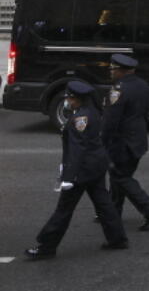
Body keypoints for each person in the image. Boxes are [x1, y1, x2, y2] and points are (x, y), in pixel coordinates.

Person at [25, 80, 128, 259]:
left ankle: (46, 246)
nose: (67, 101)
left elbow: (78, 148)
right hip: (96, 166)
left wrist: (69, 176)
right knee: (104, 204)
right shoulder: (92, 112)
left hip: (83, 170)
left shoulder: (80, 118)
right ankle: (117, 238)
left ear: (77, 99)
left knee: (64, 209)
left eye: (69, 98)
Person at [102, 54, 149, 229]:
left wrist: (102, 144)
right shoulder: (142, 85)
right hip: (138, 141)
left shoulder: (118, 90)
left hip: (121, 144)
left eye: (113, 69)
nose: (110, 72)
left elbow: (110, 122)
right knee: (118, 177)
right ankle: (113, 212)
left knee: (120, 177)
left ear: (121, 71)